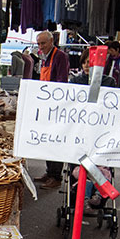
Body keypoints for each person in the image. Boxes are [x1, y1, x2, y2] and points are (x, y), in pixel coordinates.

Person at [70, 49, 116, 215]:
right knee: (80, 169)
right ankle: (87, 198)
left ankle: (96, 195)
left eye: (91, 62)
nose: (87, 65)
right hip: (80, 132)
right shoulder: (76, 81)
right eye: (84, 62)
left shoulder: (109, 82)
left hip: (101, 132)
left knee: (103, 169)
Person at [33, 30, 70, 190]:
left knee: (55, 140)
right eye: (39, 44)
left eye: (43, 43)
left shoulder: (60, 56)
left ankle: (56, 176)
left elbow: (62, 81)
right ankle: (49, 172)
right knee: (47, 140)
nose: (41, 47)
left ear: (51, 41)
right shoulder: (44, 58)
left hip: (56, 104)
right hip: (45, 103)